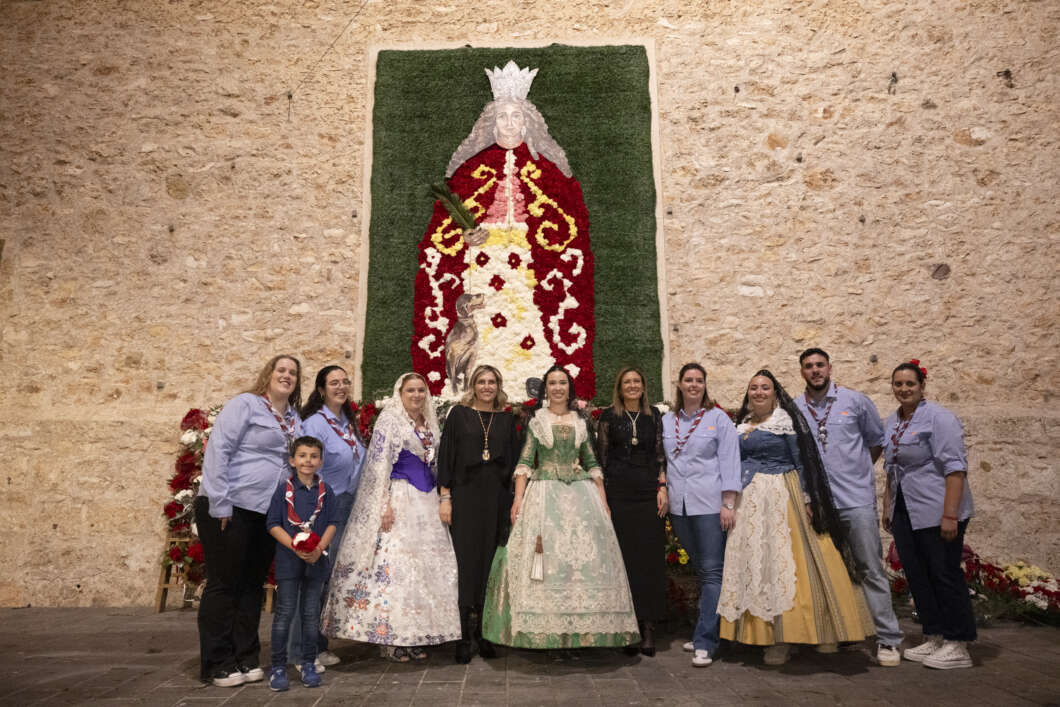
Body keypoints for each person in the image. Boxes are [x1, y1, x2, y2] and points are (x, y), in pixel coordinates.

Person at [412, 60, 595, 399]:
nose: (509, 124)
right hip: (481, 264)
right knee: (485, 326)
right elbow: (439, 236)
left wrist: (538, 241)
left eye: (516, 117)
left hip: (527, 262)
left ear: (527, 122)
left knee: (527, 321)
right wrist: (466, 238)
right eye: (502, 117)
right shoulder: (473, 168)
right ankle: (476, 391)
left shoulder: (550, 172)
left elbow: (570, 229)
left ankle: (528, 386)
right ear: (491, 124)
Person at [718, 369, 874, 665]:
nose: (759, 392)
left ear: (775, 393)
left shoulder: (784, 422)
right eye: (754, 388)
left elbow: (803, 461)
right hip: (749, 499)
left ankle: (809, 633)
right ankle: (767, 636)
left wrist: (807, 498)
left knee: (791, 564)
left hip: (782, 494)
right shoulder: (743, 424)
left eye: (765, 387)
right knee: (758, 565)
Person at [481, 365, 639, 649]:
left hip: (581, 496)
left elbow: (591, 462)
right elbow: (526, 462)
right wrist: (518, 499)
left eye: (562, 383)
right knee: (549, 561)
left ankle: (580, 633)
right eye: (552, 383)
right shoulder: (537, 421)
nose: (557, 388)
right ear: (546, 388)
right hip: (544, 496)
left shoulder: (581, 422)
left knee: (578, 562)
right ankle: (549, 634)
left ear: (569, 388)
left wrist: (602, 500)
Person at [321, 373, 460, 661]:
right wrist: (383, 504)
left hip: (426, 500)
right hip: (399, 497)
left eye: (421, 390)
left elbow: (434, 464)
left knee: (422, 567)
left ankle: (414, 633)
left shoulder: (430, 423)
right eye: (411, 390)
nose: (417, 395)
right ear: (401, 393)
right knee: (396, 565)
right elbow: (378, 466)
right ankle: (389, 637)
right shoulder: (390, 420)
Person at [195, 354, 303, 687]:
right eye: (281, 370)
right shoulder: (246, 404)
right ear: (268, 374)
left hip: (266, 512)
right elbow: (219, 450)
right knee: (224, 584)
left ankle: (246, 655)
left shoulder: (294, 419)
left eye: (293, 373)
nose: (286, 376)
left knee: (252, 586)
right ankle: (218, 662)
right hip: (231, 506)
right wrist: (220, 503)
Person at [794, 348, 904, 666]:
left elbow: (876, 441)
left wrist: (858, 471)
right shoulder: (796, 408)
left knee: (869, 568)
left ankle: (888, 640)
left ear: (830, 368)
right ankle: (844, 633)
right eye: (808, 366)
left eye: (819, 365)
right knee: (831, 570)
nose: (815, 370)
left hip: (855, 501)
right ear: (802, 372)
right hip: (820, 505)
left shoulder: (855, 401)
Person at [883, 360, 976, 670]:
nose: (904, 389)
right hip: (905, 509)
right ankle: (935, 634)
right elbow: (891, 470)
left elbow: (955, 468)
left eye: (910, 383)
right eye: (898, 384)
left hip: (937, 508)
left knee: (945, 572)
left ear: (922, 386)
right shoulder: (892, 422)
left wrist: (949, 515)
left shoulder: (940, 419)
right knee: (918, 575)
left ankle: (958, 642)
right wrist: (887, 505)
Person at [437, 364, 520, 663]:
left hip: (495, 500)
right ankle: (463, 635)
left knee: (490, 564)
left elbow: (513, 463)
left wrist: (513, 502)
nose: (487, 387)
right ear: (473, 385)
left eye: (492, 382)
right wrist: (445, 497)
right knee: (465, 563)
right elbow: (446, 457)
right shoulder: (459, 415)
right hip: (465, 497)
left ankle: (485, 633)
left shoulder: (508, 419)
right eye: (481, 382)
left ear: (498, 386)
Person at [660, 363, 740, 667]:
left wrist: (728, 504)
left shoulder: (718, 419)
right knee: (701, 569)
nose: (693, 385)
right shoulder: (668, 420)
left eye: (699, 380)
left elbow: (730, 461)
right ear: (679, 385)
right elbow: (662, 459)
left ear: (705, 385)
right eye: (688, 380)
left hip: (709, 505)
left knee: (711, 572)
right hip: (679, 506)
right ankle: (705, 628)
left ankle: (706, 641)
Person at [293, 365, 367, 671]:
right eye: (333, 382)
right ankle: (300, 652)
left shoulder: (347, 423)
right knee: (312, 579)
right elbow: (304, 465)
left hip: (345, 506)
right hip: (322, 506)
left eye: (345, 382)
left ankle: (318, 644)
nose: (341, 386)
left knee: (328, 578)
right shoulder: (314, 424)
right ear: (321, 389)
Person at [597, 366, 670, 657]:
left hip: (647, 493)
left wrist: (662, 487)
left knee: (649, 559)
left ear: (643, 386)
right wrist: (603, 497)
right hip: (618, 493)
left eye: (637, 381)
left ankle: (648, 626)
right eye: (627, 381)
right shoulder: (608, 416)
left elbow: (660, 455)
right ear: (619, 386)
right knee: (622, 559)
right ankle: (627, 628)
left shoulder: (654, 415)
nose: (632, 386)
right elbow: (601, 459)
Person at [265, 436, 338, 691]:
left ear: (320, 461)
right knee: (285, 614)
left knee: (310, 616)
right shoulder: (283, 490)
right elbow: (273, 523)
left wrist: (318, 548)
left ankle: (308, 662)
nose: (308, 460)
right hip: (289, 561)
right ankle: (277, 666)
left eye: (314, 456)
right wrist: (295, 546)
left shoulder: (326, 490)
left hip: (316, 562)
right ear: (292, 460)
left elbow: (332, 522)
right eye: (303, 455)